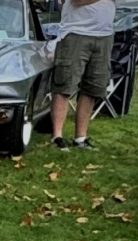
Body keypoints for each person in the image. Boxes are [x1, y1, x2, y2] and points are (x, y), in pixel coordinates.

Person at [50, 0, 116, 150]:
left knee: (92, 88)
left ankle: (80, 137)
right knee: (64, 85)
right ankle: (57, 136)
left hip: (105, 35)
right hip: (76, 33)